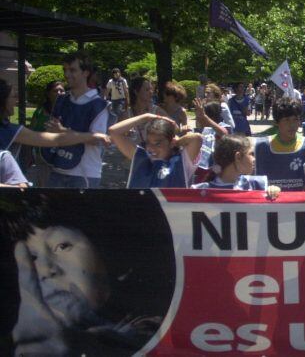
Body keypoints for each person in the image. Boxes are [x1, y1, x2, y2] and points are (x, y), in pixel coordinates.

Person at [2, 192, 175, 356]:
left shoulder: (153, 328)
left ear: (113, 256)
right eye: (32, 257)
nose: (47, 270)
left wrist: (81, 346)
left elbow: (135, 336)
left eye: (62, 246)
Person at [41, 52, 110, 188]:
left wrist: (64, 132)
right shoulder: (61, 100)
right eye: (65, 70)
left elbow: (97, 139)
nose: (67, 74)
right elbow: (51, 130)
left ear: (86, 72)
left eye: (72, 70)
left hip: (84, 175)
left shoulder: (99, 105)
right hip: (56, 170)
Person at [109, 113, 202, 188]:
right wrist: (146, 117)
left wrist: (177, 142)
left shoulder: (182, 161)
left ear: (171, 142)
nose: (151, 148)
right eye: (148, 142)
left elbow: (197, 138)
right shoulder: (141, 158)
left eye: (158, 144)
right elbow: (114, 131)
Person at [254, 98, 305, 191]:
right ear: (276, 122)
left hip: (301, 204)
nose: (292, 125)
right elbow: (254, 185)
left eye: (295, 119)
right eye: (286, 120)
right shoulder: (260, 147)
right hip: (270, 204)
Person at [193, 134, 279, 195]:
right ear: (238, 157)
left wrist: (274, 192)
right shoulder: (198, 191)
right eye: (251, 154)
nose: (254, 159)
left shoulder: (257, 184)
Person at [121, 77, 169, 144]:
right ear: (136, 92)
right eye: (147, 90)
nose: (151, 92)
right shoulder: (126, 115)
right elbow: (119, 137)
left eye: (151, 89)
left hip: (153, 153)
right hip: (133, 153)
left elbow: (173, 129)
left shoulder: (157, 112)